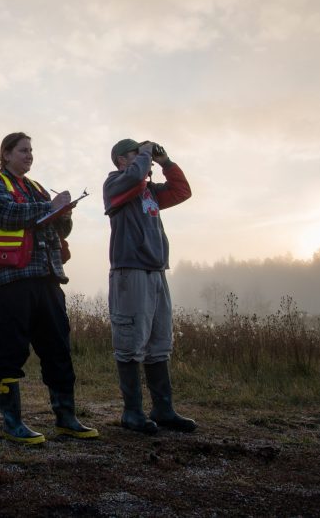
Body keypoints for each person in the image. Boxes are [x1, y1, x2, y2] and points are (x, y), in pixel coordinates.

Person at [0, 132, 99, 444]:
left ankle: (66, 418)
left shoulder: (38, 189)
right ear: (6, 153)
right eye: (23, 150)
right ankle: (13, 422)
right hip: (9, 281)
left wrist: (64, 212)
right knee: (10, 349)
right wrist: (49, 206)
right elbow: (3, 213)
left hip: (48, 278)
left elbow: (60, 228)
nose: (29, 155)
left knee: (58, 348)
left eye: (31, 150)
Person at [103, 138, 196, 435]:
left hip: (156, 271)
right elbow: (133, 176)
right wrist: (143, 155)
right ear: (121, 159)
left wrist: (166, 161)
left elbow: (182, 191)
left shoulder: (150, 192)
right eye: (136, 154)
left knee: (158, 343)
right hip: (130, 272)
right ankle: (132, 413)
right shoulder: (116, 183)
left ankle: (163, 409)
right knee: (131, 343)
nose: (146, 159)